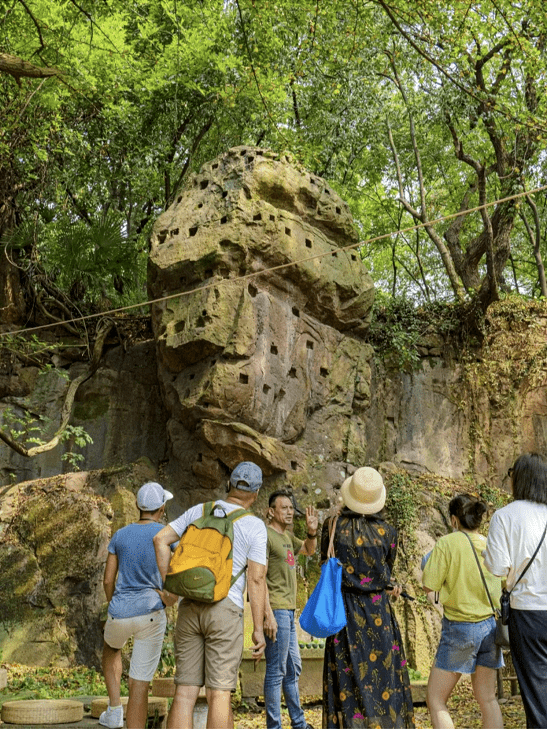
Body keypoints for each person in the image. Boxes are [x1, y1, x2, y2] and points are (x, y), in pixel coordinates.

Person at [153, 461, 268, 730]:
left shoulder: (199, 510)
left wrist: (169, 590)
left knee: (184, 693)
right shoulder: (253, 526)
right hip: (225, 608)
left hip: (189, 605)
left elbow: (160, 540)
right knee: (219, 693)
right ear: (257, 493)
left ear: (229, 484)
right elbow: (257, 578)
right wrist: (258, 629)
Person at [321, 467, 415, 729]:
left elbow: (324, 565)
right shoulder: (389, 532)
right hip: (378, 614)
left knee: (347, 679)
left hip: (345, 613)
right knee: (383, 678)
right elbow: (384, 576)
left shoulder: (332, 527)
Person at [422, 494, 503, 730]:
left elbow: (429, 585)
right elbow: (504, 582)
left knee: (436, 699)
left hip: (460, 629)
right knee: (488, 699)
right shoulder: (490, 544)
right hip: (491, 628)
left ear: (454, 520)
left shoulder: (447, 543)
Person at [100, 481, 176, 729]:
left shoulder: (120, 534)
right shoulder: (167, 534)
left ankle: (113, 710)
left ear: (137, 506)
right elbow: (179, 574)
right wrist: (169, 599)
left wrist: (116, 603)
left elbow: (108, 579)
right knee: (139, 684)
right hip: (152, 612)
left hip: (120, 611)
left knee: (111, 649)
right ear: (162, 508)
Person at [484, 453, 547, 729]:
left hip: (528, 613)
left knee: (536, 688)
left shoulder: (504, 516)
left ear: (517, 479)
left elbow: (497, 568)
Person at [263, 490, 318, 729]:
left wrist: (312, 531)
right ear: (271, 511)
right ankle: (274, 726)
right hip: (276, 609)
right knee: (276, 671)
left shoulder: (287, 537)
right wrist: (266, 615)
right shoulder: (265, 536)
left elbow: (309, 549)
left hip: (288, 610)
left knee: (293, 668)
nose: (288, 512)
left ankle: (299, 723)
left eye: (290, 508)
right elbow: (259, 578)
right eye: (283, 508)